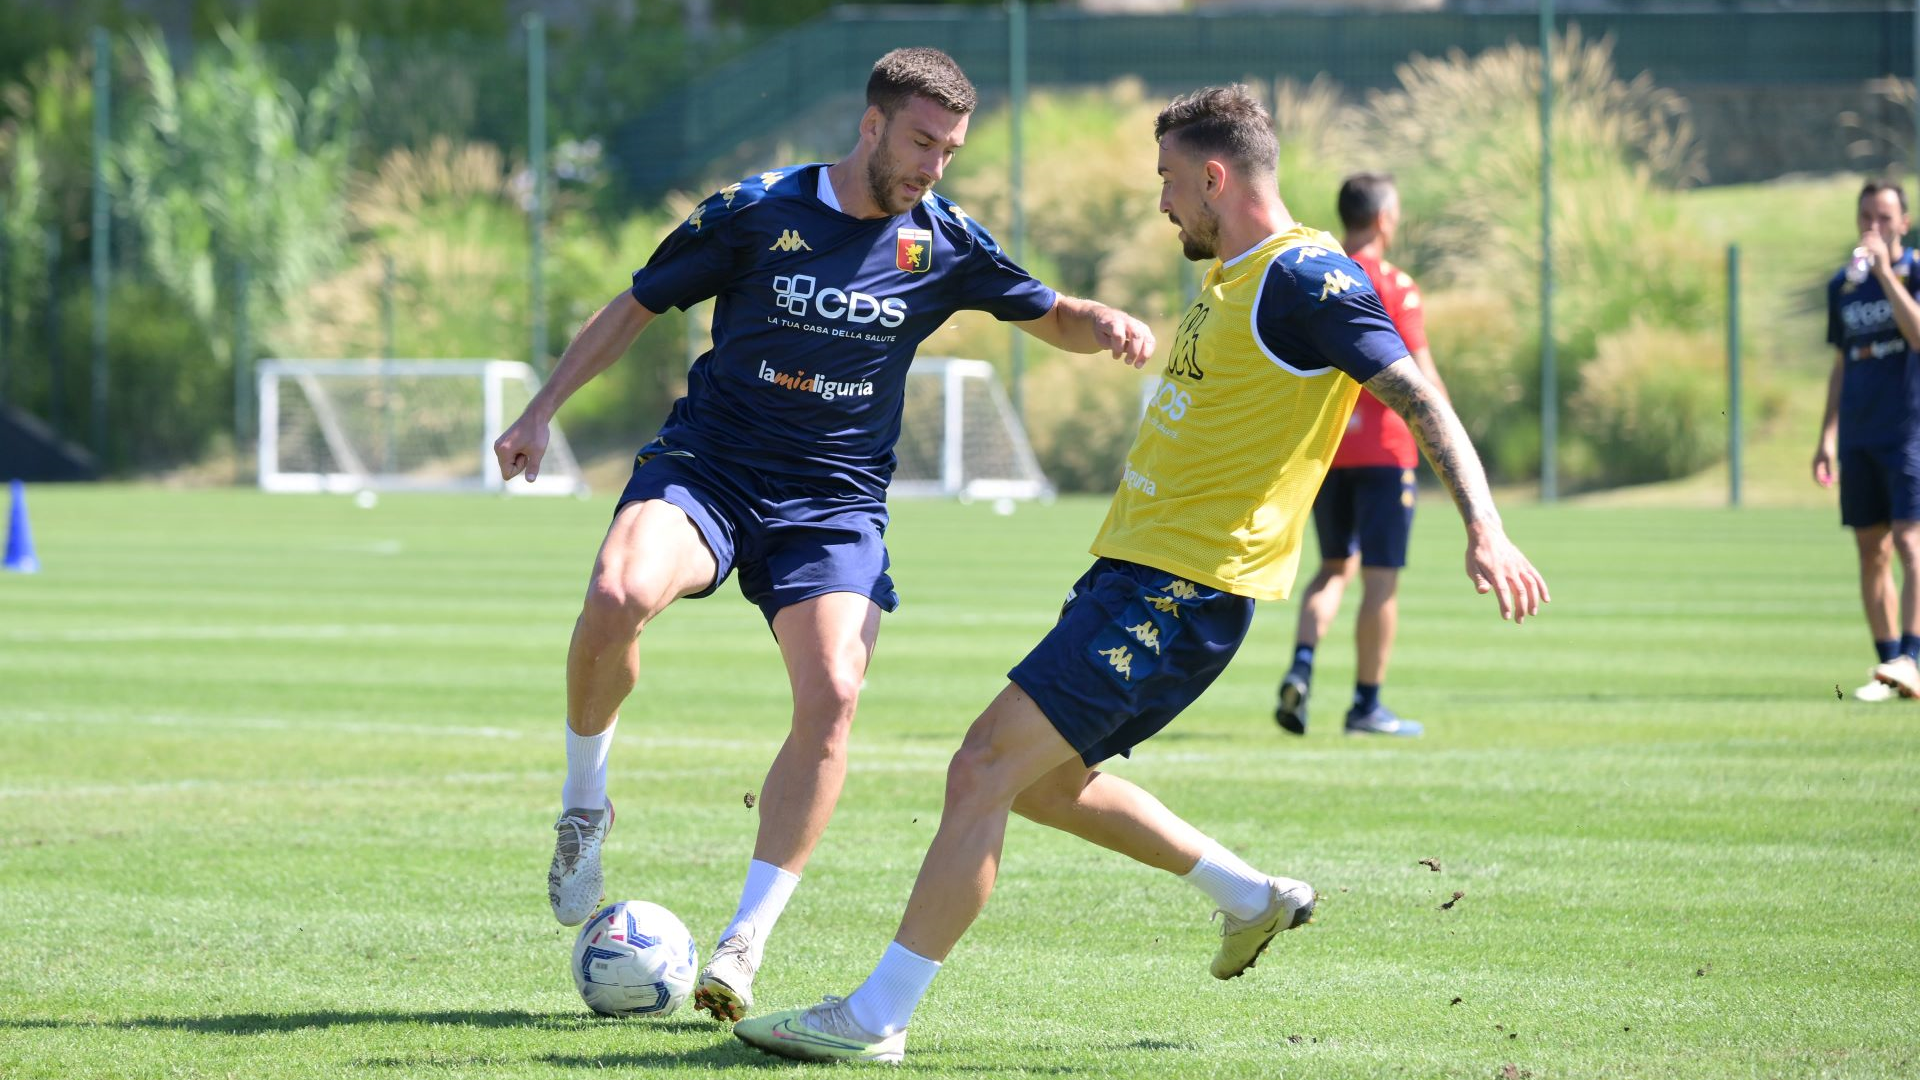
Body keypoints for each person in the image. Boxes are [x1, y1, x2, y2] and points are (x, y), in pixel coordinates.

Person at [733, 84, 1549, 1065]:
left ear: (1215, 177)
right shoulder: (1237, 274)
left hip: (1181, 588)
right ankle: (1248, 897)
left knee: (982, 767)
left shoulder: (1306, 280)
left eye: (1169, 180)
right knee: (1042, 785)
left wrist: (1485, 528)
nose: (1161, 201)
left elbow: (1416, 392)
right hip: (1137, 574)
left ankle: (877, 1017)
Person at [491, 46, 1155, 1024]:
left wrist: (1098, 319)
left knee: (835, 694)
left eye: (951, 150)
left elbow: (1048, 312)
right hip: (711, 469)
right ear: (871, 124)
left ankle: (745, 941)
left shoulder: (943, 240)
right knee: (617, 595)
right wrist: (540, 409)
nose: (934, 166)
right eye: (922, 143)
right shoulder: (755, 211)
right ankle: (586, 802)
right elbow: (635, 306)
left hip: (833, 505)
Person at [1275, 172, 1449, 738]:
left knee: (1332, 569)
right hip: (1385, 454)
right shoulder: (1395, 285)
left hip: (1327, 452)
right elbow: (1421, 376)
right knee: (1379, 581)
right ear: (1382, 219)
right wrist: (1452, 442)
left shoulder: (1318, 276)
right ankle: (1366, 705)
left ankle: (1302, 666)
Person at [1813, 179, 1920, 701]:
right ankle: (1889, 665)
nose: (1873, 226)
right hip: (1859, 434)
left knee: (1910, 541)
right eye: (1865, 217)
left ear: (1904, 222)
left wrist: (1884, 274)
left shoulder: (1914, 272)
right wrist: (1827, 436)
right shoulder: (1844, 285)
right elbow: (1842, 363)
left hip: (1908, 432)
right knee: (1869, 548)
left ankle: (1913, 658)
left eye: (1883, 217)